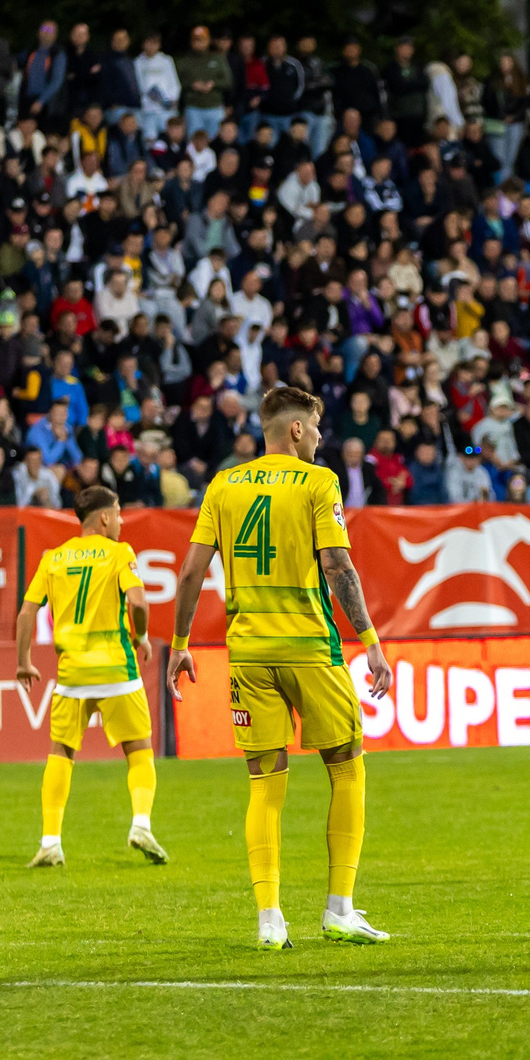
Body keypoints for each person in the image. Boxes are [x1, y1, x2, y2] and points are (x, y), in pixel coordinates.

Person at [167, 384, 398, 949]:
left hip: (248, 654)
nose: (318, 437)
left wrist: (179, 642)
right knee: (347, 765)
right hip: (309, 647)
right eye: (315, 427)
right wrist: (370, 639)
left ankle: (269, 920)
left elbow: (191, 571)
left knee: (264, 784)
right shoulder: (319, 481)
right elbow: (337, 565)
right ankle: (339, 909)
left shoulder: (223, 485)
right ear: (296, 429)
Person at [15, 486, 166, 868]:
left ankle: (50, 842)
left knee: (61, 752)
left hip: (72, 674)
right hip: (117, 669)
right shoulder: (119, 553)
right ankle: (141, 825)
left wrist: (24, 661)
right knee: (139, 749)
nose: (121, 521)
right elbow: (138, 602)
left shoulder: (53, 558)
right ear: (103, 518)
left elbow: (26, 612)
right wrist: (141, 636)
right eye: (118, 513)